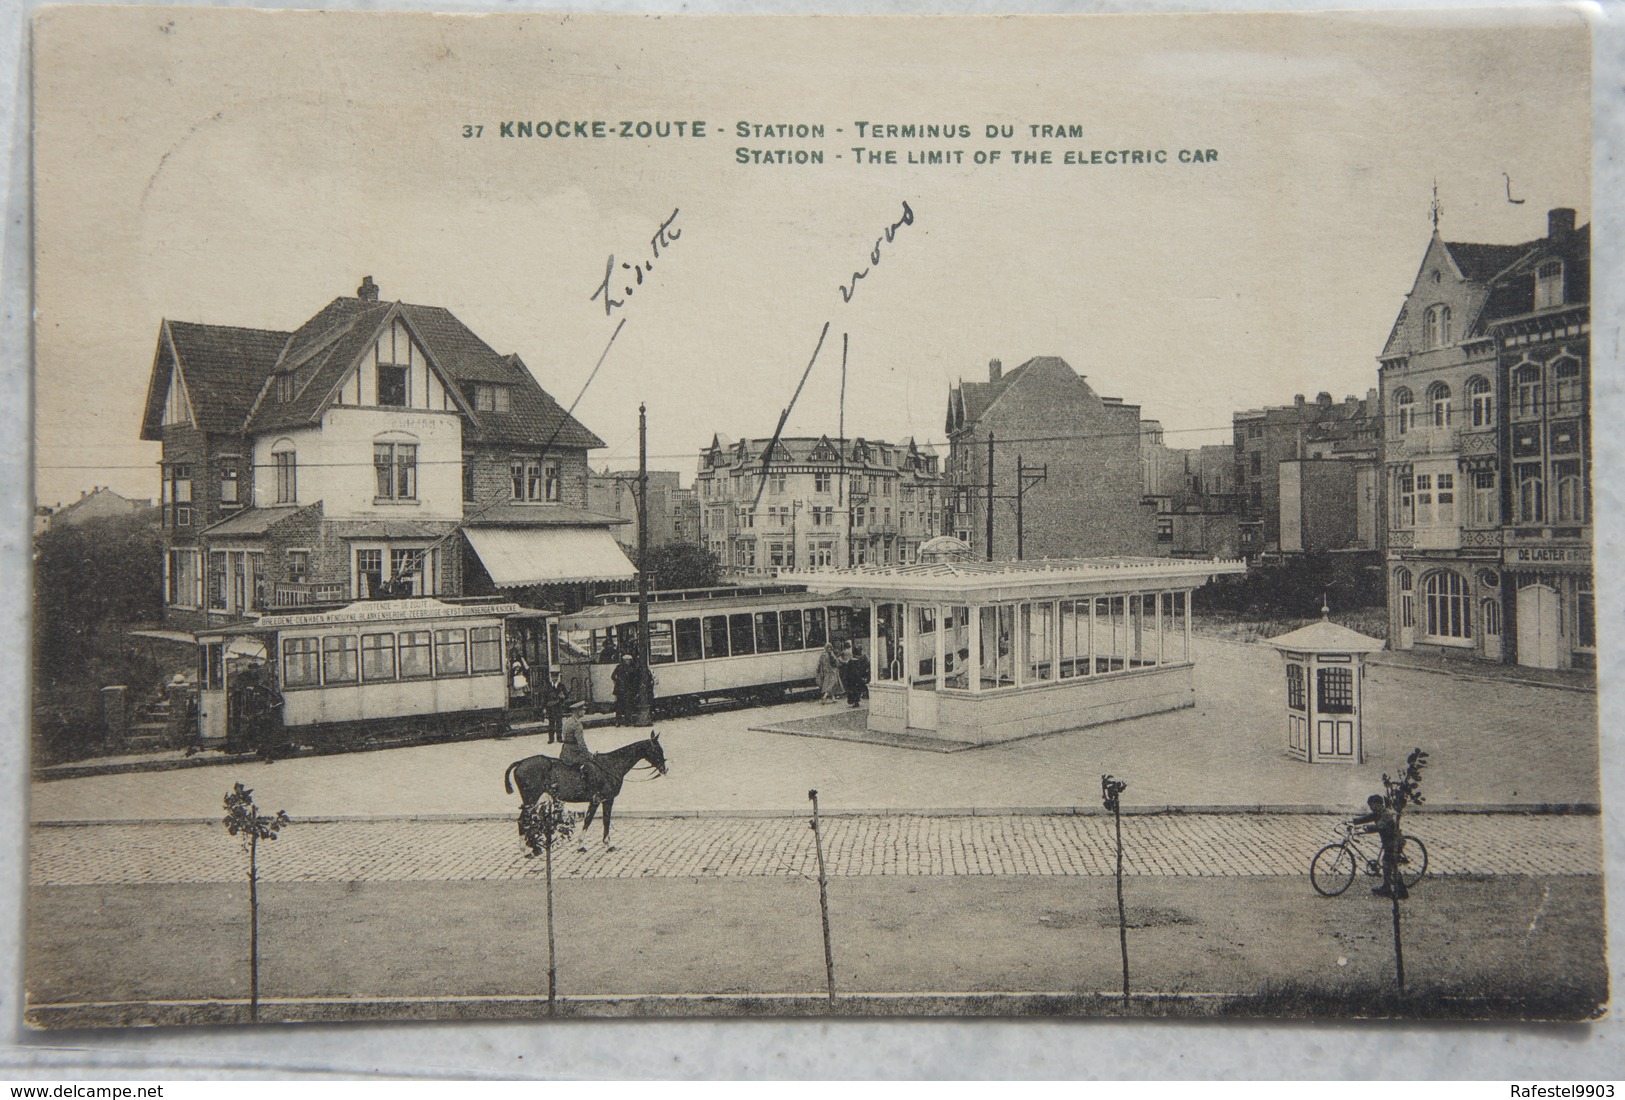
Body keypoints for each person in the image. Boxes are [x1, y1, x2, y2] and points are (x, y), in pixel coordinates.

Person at [1353, 793, 1407, 900]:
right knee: (1388, 865)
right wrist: (1353, 821)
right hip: (1388, 843)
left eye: (1372, 806)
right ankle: (1387, 887)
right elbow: (1367, 818)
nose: (1371, 808)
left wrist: (1367, 828)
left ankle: (1402, 892)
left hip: (1394, 843)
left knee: (1390, 866)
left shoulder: (1386, 814)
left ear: (1378, 804)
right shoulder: (1378, 812)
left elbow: (1380, 826)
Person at [540, 667, 571, 744]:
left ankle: (559, 738)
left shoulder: (561, 686)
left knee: (559, 723)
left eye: (556, 677)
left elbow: (567, 695)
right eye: (553, 677)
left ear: (558, 677)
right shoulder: (548, 686)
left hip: (558, 707)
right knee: (551, 723)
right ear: (551, 677)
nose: (554, 678)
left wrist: (563, 697)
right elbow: (545, 698)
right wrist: (544, 708)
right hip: (550, 707)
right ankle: (551, 739)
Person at [611, 652, 642, 725]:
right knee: (627, 706)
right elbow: (635, 679)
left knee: (619, 706)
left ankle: (618, 721)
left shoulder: (619, 667)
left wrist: (617, 681)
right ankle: (627, 721)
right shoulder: (632, 668)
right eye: (627, 660)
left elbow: (613, 676)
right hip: (627, 689)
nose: (628, 661)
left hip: (619, 689)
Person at [841, 643, 870, 708]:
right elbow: (863, 669)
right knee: (857, 690)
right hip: (858, 678)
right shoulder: (860, 661)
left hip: (851, 679)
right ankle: (856, 701)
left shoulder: (850, 661)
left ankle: (854, 702)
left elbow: (847, 670)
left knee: (852, 690)